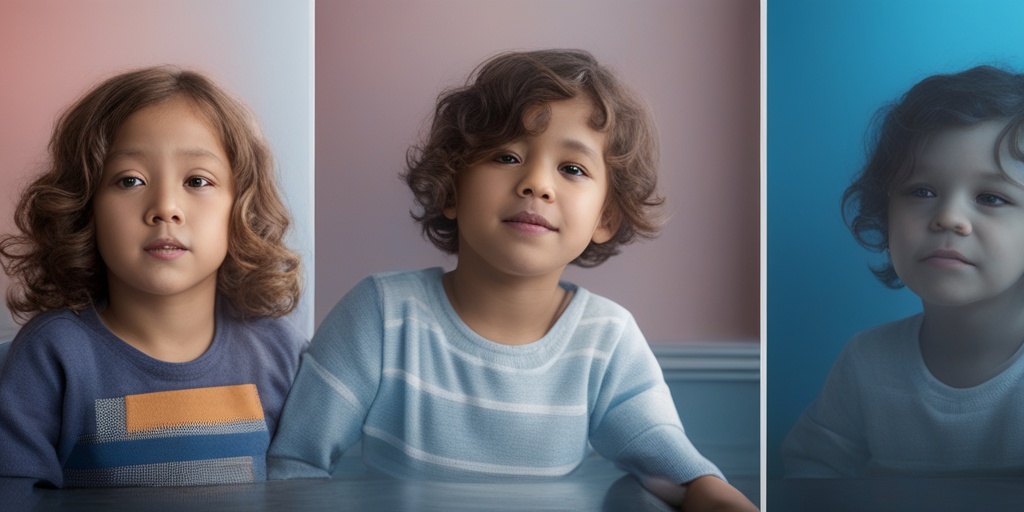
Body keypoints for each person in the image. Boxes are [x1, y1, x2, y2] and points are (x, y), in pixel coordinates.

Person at [268, 49, 756, 510]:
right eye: (506, 156)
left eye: (572, 168)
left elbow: (676, 469)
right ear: (452, 190)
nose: (537, 184)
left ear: (605, 216)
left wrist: (716, 495)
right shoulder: (380, 314)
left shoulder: (606, 340)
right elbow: (295, 465)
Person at [0, 67, 306, 488]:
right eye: (130, 181)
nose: (165, 207)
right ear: (85, 205)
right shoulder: (54, 355)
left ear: (242, 209)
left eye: (197, 180)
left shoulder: (279, 352)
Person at [783, 66, 1024, 477]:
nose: (949, 218)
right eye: (922, 192)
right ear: (885, 211)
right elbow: (811, 471)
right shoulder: (867, 362)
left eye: (991, 197)